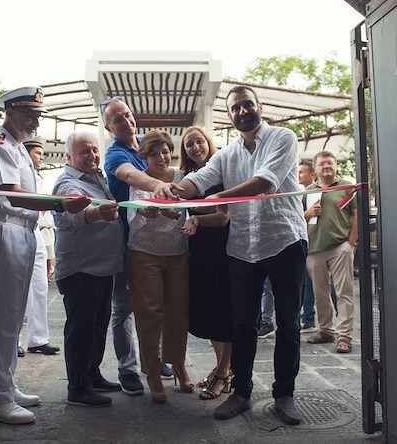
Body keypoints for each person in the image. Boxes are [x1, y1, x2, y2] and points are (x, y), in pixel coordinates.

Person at [157, 85, 308, 425]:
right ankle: (241, 392)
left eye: (246, 104)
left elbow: (265, 182)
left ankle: (285, 393)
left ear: (259, 106)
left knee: (287, 322)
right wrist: (169, 190)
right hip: (242, 248)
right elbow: (200, 179)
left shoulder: (283, 137)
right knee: (241, 323)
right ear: (229, 115)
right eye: (235, 108)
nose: (242, 111)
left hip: (284, 239)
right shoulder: (226, 154)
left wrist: (216, 199)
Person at [0, 86, 89, 424]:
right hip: (5, 228)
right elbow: (11, 193)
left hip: (22, 231)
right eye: (29, 114)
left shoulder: (18, 148)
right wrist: (60, 202)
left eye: (38, 115)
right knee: (4, 317)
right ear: (10, 112)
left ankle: (6, 386)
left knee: (13, 316)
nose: (35, 121)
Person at [102, 96, 178, 394]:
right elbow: (127, 175)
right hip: (125, 239)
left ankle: (153, 360)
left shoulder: (145, 148)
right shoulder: (115, 154)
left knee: (154, 304)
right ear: (109, 126)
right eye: (117, 118)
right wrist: (155, 185)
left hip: (156, 243)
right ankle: (128, 368)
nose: (125, 121)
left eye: (127, 114)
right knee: (124, 306)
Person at [52, 131, 124, 407]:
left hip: (102, 269)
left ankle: (92, 375)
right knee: (80, 330)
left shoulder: (98, 178)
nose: (92, 156)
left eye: (94, 150)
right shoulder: (67, 183)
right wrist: (99, 212)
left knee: (96, 327)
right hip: (81, 270)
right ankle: (78, 388)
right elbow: (78, 216)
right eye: (85, 151)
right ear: (69, 156)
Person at [127, 129, 191, 404]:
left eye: (164, 151)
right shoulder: (142, 180)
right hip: (144, 251)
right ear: (145, 157)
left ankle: (177, 364)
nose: (161, 157)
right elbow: (134, 208)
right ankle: (152, 370)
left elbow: (190, 207)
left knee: (178, 311)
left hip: (178, 250)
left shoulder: (181, 177)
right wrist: (145, 210)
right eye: (153, 153)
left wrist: (177, 213)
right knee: (150, 312)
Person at [177, 126, 232, 400]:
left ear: (208, 143)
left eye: (199, 141)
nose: (195, 147)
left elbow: (224, 217)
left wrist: (197, 218)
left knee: (223, 310)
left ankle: (224, 372)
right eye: (189, 145)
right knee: (210, 310)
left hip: (221, 249)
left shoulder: (223, 175)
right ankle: (221, 367)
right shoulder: (187, 179)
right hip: (198, 250)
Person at [305, 151, 358, 354]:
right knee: (320, 294)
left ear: (336, 165)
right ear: (315, 169)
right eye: (322, 163)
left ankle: (344, 336)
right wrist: (307, 213)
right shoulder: (307, 191)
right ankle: (326, 330)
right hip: (315, 249)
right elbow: (297, 217)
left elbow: (356, 215)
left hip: (339, 247)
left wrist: (349, 243)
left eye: (330, 162)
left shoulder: (347, 187)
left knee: (344, 292)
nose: (326, 166)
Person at [22, 137, 60, 355]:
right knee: (17, 288)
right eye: (37, 152)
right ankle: (15, 342)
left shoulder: (37, 176)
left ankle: (37, 338)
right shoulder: (20, 171)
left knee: (39, 286)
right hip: (19, 227)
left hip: (36, 230)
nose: (42, 156)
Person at [298, 160, 317, 332]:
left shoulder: (317, 192)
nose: (298, 175)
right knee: (306, 283)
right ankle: (308, 318)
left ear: (312, 174)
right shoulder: (302, 194)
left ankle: (309, 318)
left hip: (318, 245)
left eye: (302, 172)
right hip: (306, 244)